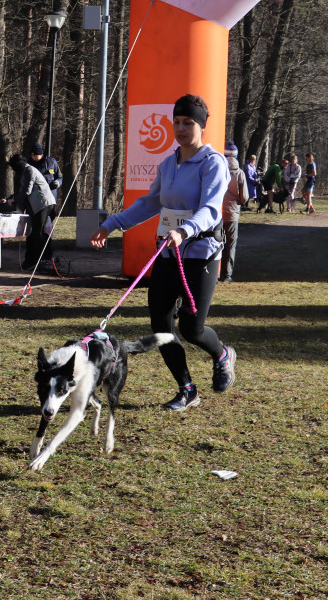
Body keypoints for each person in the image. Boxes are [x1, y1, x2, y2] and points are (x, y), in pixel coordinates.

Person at [90, 94, 236, 412]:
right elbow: (150, 202)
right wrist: (113, 223)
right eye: (177, 122)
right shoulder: (169, 162)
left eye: (189, 123)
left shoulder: (213, 163)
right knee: (160, 326)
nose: (181, 129)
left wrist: (184, 230)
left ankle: (222, 354)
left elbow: (211, 210)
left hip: (201, 253)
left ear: (202, 126)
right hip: (167, 253)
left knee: (191, 328)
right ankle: (187, 389)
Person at [7, 154, 56, 271]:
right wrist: (10, 198)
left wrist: (13, 199)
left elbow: (27, 191)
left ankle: (40, 260)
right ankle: (38, 259)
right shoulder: (25, 172)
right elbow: (21, 191)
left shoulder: (29, 171)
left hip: (43, 203)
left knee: (38, 233)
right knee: (36, 233)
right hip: (37, 205)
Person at [220, 141, 249, 282]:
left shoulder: (218, 169)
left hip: (217, 213)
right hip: (232, 214)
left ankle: (214, 273)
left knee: (215, 244)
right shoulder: (239, 173)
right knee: (230, 245)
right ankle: (227, 275)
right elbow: (244, 197)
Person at [28, 142, 62, 208]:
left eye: (35, 155)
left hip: (51, 194)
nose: (33, 157)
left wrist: (57, 183)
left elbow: (60, 177)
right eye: (32, 156)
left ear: (41, 154)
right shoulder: (29, 164)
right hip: (36, 195)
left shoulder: (52, 162)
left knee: (50, 215)